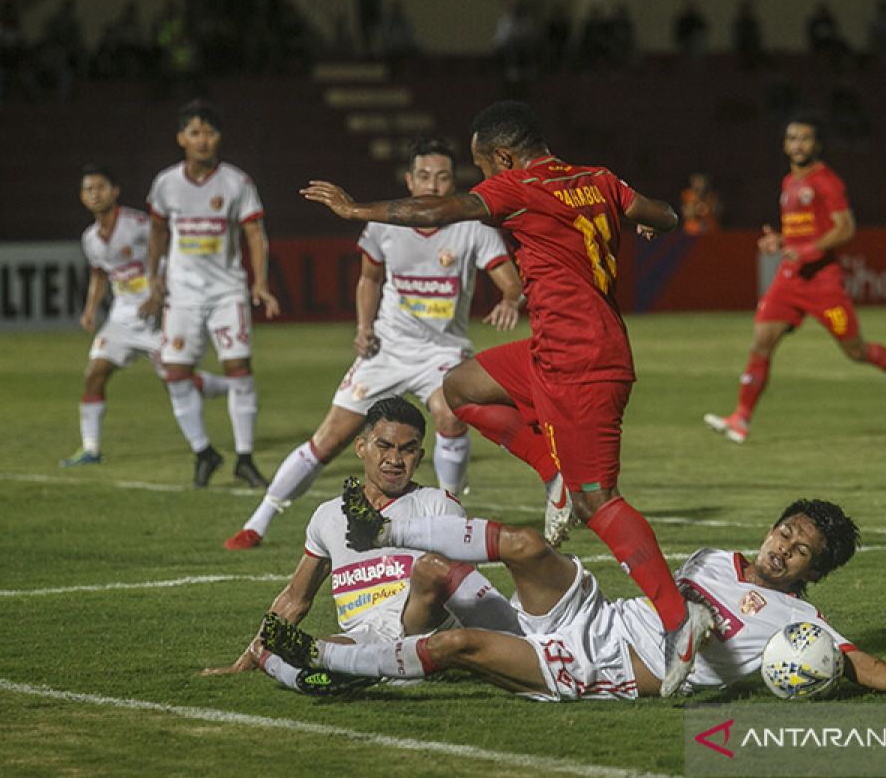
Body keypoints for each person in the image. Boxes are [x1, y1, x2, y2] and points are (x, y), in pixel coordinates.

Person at [302, 100, 709, 698]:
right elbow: (666, 213)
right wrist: (650, 223)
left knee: (601, 502)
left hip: (581, 366)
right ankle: (554, 472)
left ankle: (679, 621)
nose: (481, 180)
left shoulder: (519, 186)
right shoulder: (597, 179)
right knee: (460, 388)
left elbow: (438, 209)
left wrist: (354, 208)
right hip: (550, 350)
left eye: (480, 167)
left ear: (502, 156)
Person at [257, 495, 886, 701]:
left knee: (457, 645)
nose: (782, 547)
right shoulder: (716, 557)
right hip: (595, 614)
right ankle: (391, 527)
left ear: (813, 572)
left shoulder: (799, 619)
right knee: (528, 546)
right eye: (785, 531)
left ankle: (319, 660)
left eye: (800, 549)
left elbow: (852, 659)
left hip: (606, 669)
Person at [223, 138, 523, 550]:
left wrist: (509, 300)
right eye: (424, 175)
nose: (432, 185)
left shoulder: (470, 227)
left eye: (442, 177)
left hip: (443, 352)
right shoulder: (386, 223)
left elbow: (510, 282)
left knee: (449, 416)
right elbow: (369, 279)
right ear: (409, 179)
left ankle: (454, 515)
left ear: (454, 182)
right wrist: (364, 327)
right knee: (329, 439)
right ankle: (258, 522)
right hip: (388, 348)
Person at [204, 397, 520, 688]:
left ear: (420, 456)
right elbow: (295, 599)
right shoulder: (328, 516)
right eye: (384, 446)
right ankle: (330, 669)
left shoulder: (438, 505)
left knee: (430, 571)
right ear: (361, 447)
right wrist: (245, 660)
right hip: (364, 639)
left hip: (422, 631)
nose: (395, 459)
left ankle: (412, 661)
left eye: (407, 450)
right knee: (296, 648)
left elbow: (462, 590)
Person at [704, 114, 886, 444]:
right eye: (793, 139)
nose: (799, 145)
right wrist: (781, 242)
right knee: (761, 342)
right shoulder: (788, 183)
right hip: (790, 278)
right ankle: (741, 419)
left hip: (823, 282)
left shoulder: (827, 181)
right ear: (785, 145)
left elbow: (846, 228)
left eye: (805, 139)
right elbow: (802, 232)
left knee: (855, 351)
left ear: (817, 144)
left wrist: (808, 249)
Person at [139, 99, 280, 488]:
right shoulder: (166, 183)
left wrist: (260, 282)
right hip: (182, 293)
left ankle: (245, 457)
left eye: (210, 133)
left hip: (226, 292)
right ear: (181, 138)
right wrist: (155, 280)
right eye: (195, 133)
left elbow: (255, 234)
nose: (203, 141)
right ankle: (204, 451)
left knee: (239, 369)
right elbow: (156, 233)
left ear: (219, 138)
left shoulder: (236, 182)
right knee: (176, 372)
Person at [60, 164, 229, 467]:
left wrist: (157, 293)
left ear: (115, 191)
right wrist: (89, 310)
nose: (95, 194)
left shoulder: (138, 224)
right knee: (94, 374)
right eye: (88, 189)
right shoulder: (91, 239)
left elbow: (170, 257)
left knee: (176, 383)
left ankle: (225, 388)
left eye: (100, 187)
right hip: (122, 320)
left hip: (157, 316)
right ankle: (91, 448)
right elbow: (100, 274)